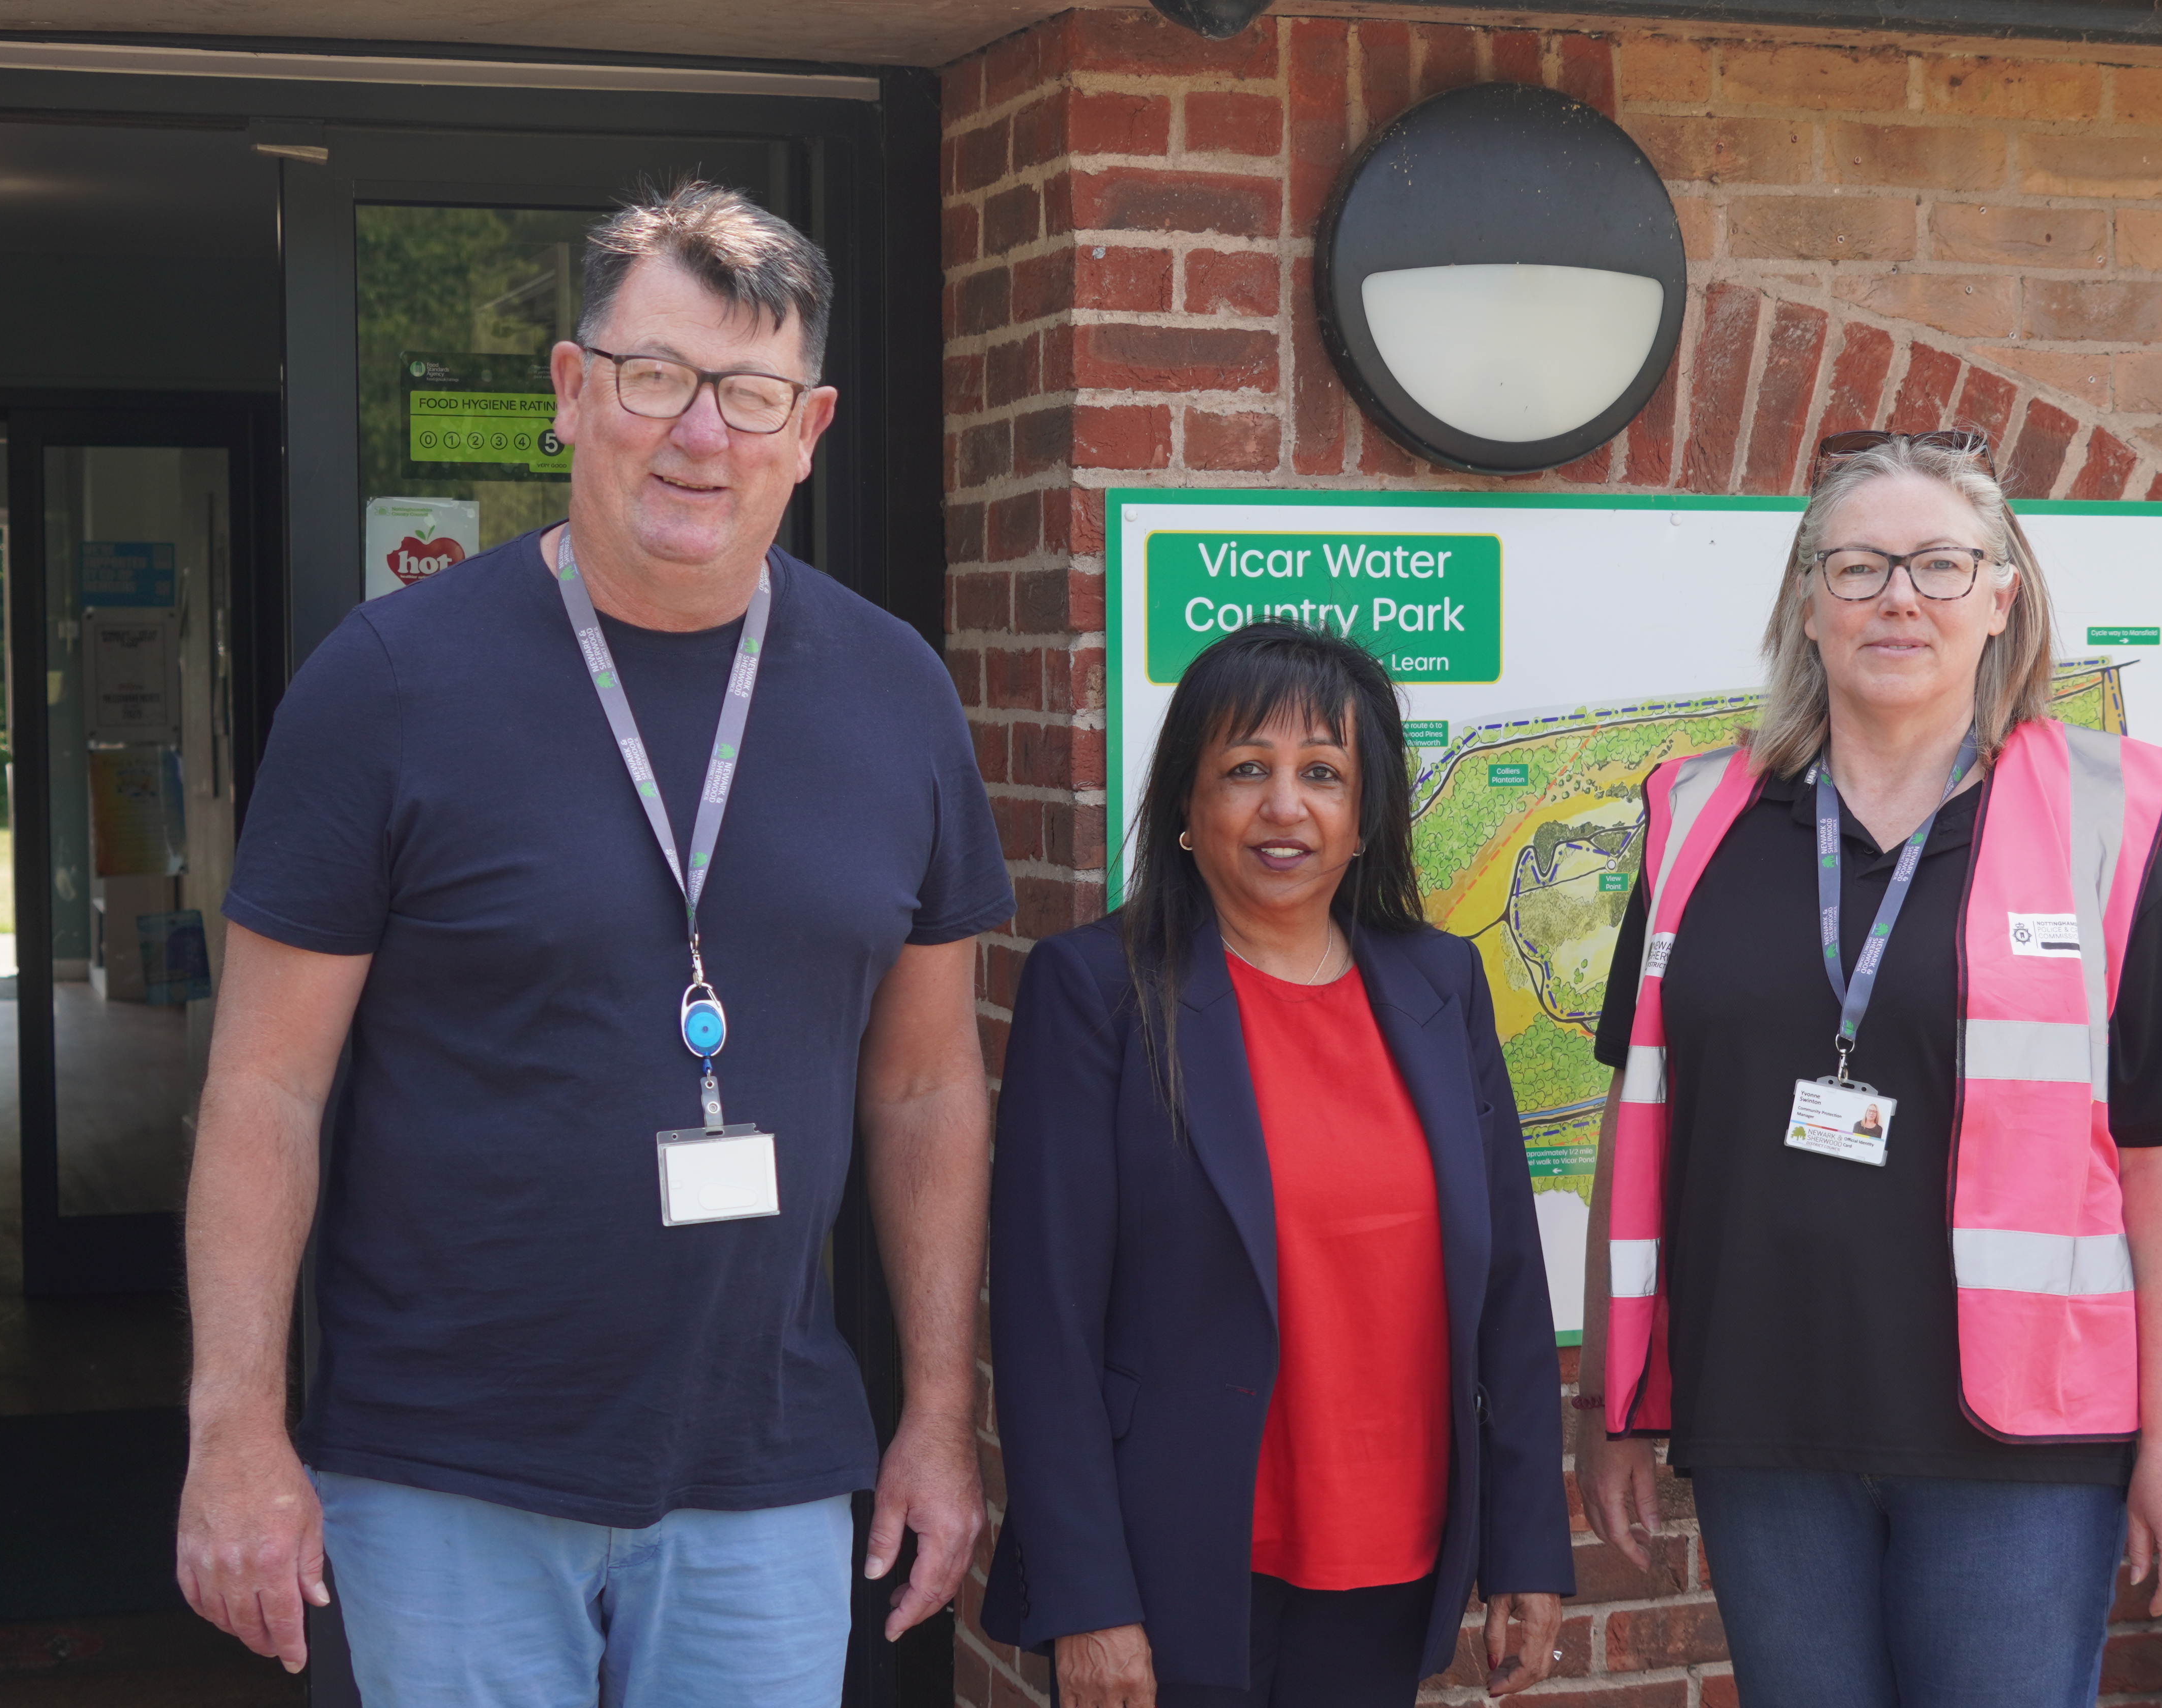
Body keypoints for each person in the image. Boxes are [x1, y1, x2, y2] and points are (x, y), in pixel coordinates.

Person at [174, 183, 1014, 1703]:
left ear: (810, 427)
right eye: (656, 379)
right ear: (573, 392)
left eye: (750, 394)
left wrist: (939, 1419)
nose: (703, 434)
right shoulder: (386, 687)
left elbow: (927, 1091)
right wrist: (235, 1430)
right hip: (445, 1472)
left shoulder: (898, 697)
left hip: (764, 1468)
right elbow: (265, 1091)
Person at [1572, 427, 2162, 1707]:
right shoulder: (1696, 817)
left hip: (2020, 1432)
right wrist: (1612, 1393)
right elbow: (1634, 1121)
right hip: (1767, 1407)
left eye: (1940, 565)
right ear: (1806, 603)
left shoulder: (2099, 818)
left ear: (2002, 599)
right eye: (1860, 567)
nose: (1900, 599)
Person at [984, 623, 1572, 1708]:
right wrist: (1087, 1596)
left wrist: (1528, 1547)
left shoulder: (1441, 983)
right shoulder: (1098, 993)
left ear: (1365, 818)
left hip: (1391, 1558)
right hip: (1176, 1565)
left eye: (1324, 774)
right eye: (1246, 769)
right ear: (1185, 808)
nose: (1285, 806)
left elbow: (1508, 1292)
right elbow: (1043, 1321)